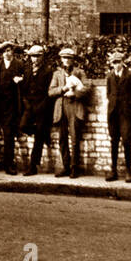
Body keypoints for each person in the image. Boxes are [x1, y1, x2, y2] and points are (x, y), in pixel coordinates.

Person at [49, 46, 89, 178]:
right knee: (62, 138)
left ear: (73, 60)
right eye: (64, 58)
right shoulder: (57, 74)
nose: (66, 60)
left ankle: (74, 168)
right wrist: (64, 88)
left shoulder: (80, 72)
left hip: (75, 106)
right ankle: (65, 166)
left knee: (75, 138)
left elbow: (87, 88)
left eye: (69, 58)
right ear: (61, 59)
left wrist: (75, 94)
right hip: (61, 107)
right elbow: (51, 91)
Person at [0, 41, 24, 175]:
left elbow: (26, 78)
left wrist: (20, 80)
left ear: (13, 51)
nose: (7, 53)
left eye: (9, 50)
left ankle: (9, 165)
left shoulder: (19, 64)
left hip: (10, 105)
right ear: (1, 53)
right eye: (5, 51)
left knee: (9, 135)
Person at [105, 49, 131, 182]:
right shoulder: (109, 76)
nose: (116, 65)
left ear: (123, 62)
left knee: (126, 141)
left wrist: (128, 104)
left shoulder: (130, 75)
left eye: (118, 62)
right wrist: (113, 104)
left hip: (125, 114)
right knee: (113, 142)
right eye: (113, 62)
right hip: (113, 114)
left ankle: (128, 171)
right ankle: (113, 171)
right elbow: (108, 94)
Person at [20, 44, 56, 175]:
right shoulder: (27, 69)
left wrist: (41, 106)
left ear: (42, 57)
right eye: (32, 56)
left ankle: (33, 166)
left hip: (42, 108)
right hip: (29, 106)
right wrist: (26, 104)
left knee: (38, 139)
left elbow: (49, 92)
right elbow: (24, 89)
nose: (34, 59)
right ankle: (40, 132)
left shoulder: (48, 71)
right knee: (23, 126)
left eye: (37, 56)